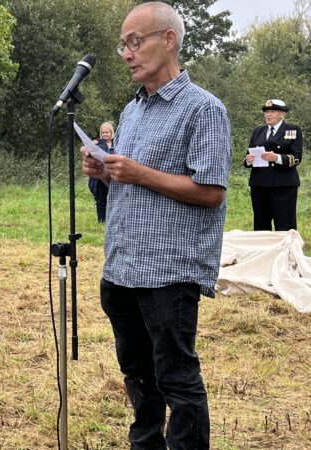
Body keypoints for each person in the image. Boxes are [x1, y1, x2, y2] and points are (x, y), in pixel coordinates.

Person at [81, 2, 231, 448]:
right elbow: (128, 177)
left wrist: (138, 172)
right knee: (138, 374)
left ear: (168, 40)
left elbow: (212, 191)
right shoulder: (132, 112)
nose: (126, 53)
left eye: (135, 42)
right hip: (123, 266)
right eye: (122, 45)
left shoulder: (204, 109)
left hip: (169, 270)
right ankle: (145, 442)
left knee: (177, 378)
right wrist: (105, 172)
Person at [244, 99, 303, 231]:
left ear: (282, 114)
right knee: (261, 225)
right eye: (266, 112)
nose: (268, 115)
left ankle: (287, 252)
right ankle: (263, 251)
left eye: (272, 111)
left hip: (284, 186)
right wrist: (249, 160)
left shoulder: (292, 130)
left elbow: (297, 157)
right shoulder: (258, 131)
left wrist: (276, 157)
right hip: (259, 185)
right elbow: (248, 154)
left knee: (285, 225)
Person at [87, 122, 115, 223]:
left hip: (113, 176)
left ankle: (112, 220)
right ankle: (101, 221)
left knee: (114, 199)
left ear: (111, 132)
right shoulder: (97, 143)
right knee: (100, 200)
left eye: (107, 132)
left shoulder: (118, 142)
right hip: (99, 177)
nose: (105, 134)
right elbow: (85, 149)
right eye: (103, 132)